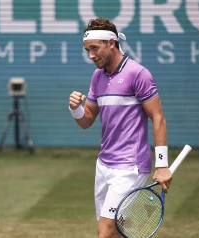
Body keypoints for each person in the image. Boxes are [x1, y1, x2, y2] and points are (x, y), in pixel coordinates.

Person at [68, 17, 172, 238]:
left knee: (105, 232)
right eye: (87, 50)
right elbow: (87, 120)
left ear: (111, 43)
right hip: (104, 164)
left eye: (94, 48)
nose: (91, 55)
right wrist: (75, 109)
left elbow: (158, 117)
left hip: (129, 166)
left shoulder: (138, 74)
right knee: (117, 231)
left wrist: (162, 165)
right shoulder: (98, 76)